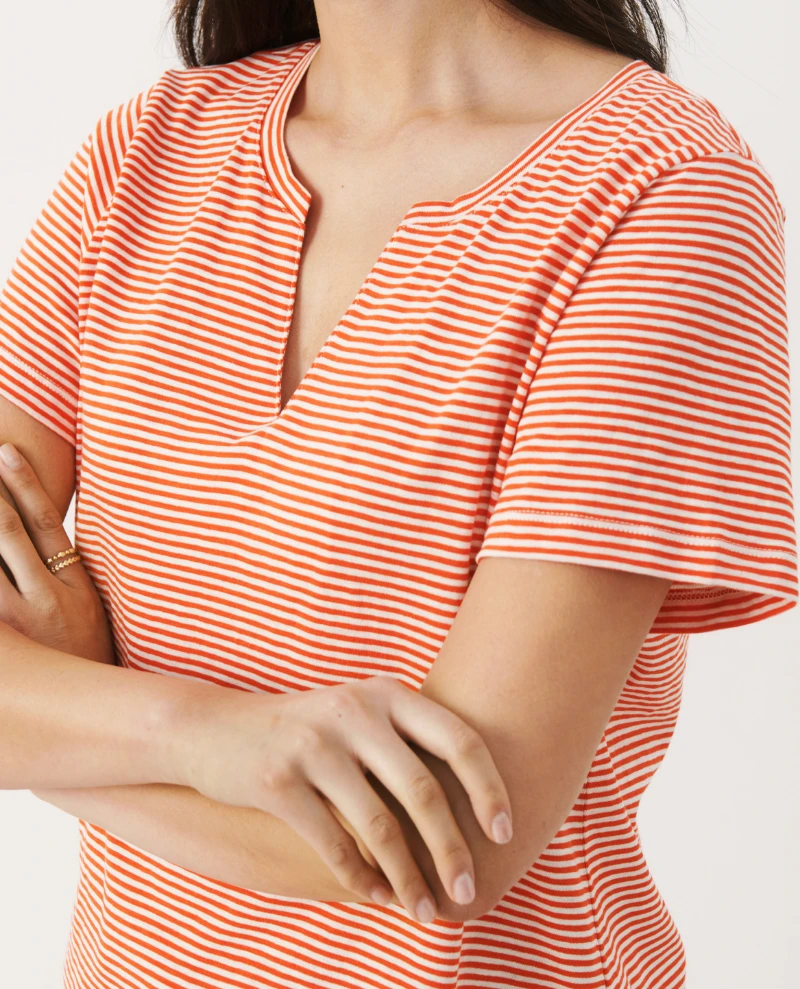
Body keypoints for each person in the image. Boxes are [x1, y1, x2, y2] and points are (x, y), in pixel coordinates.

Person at [0, 1, 796, 987]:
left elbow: (446, 838)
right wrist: (198, 736)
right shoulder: (144, 156)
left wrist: (63, 725)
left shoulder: (663, 191)